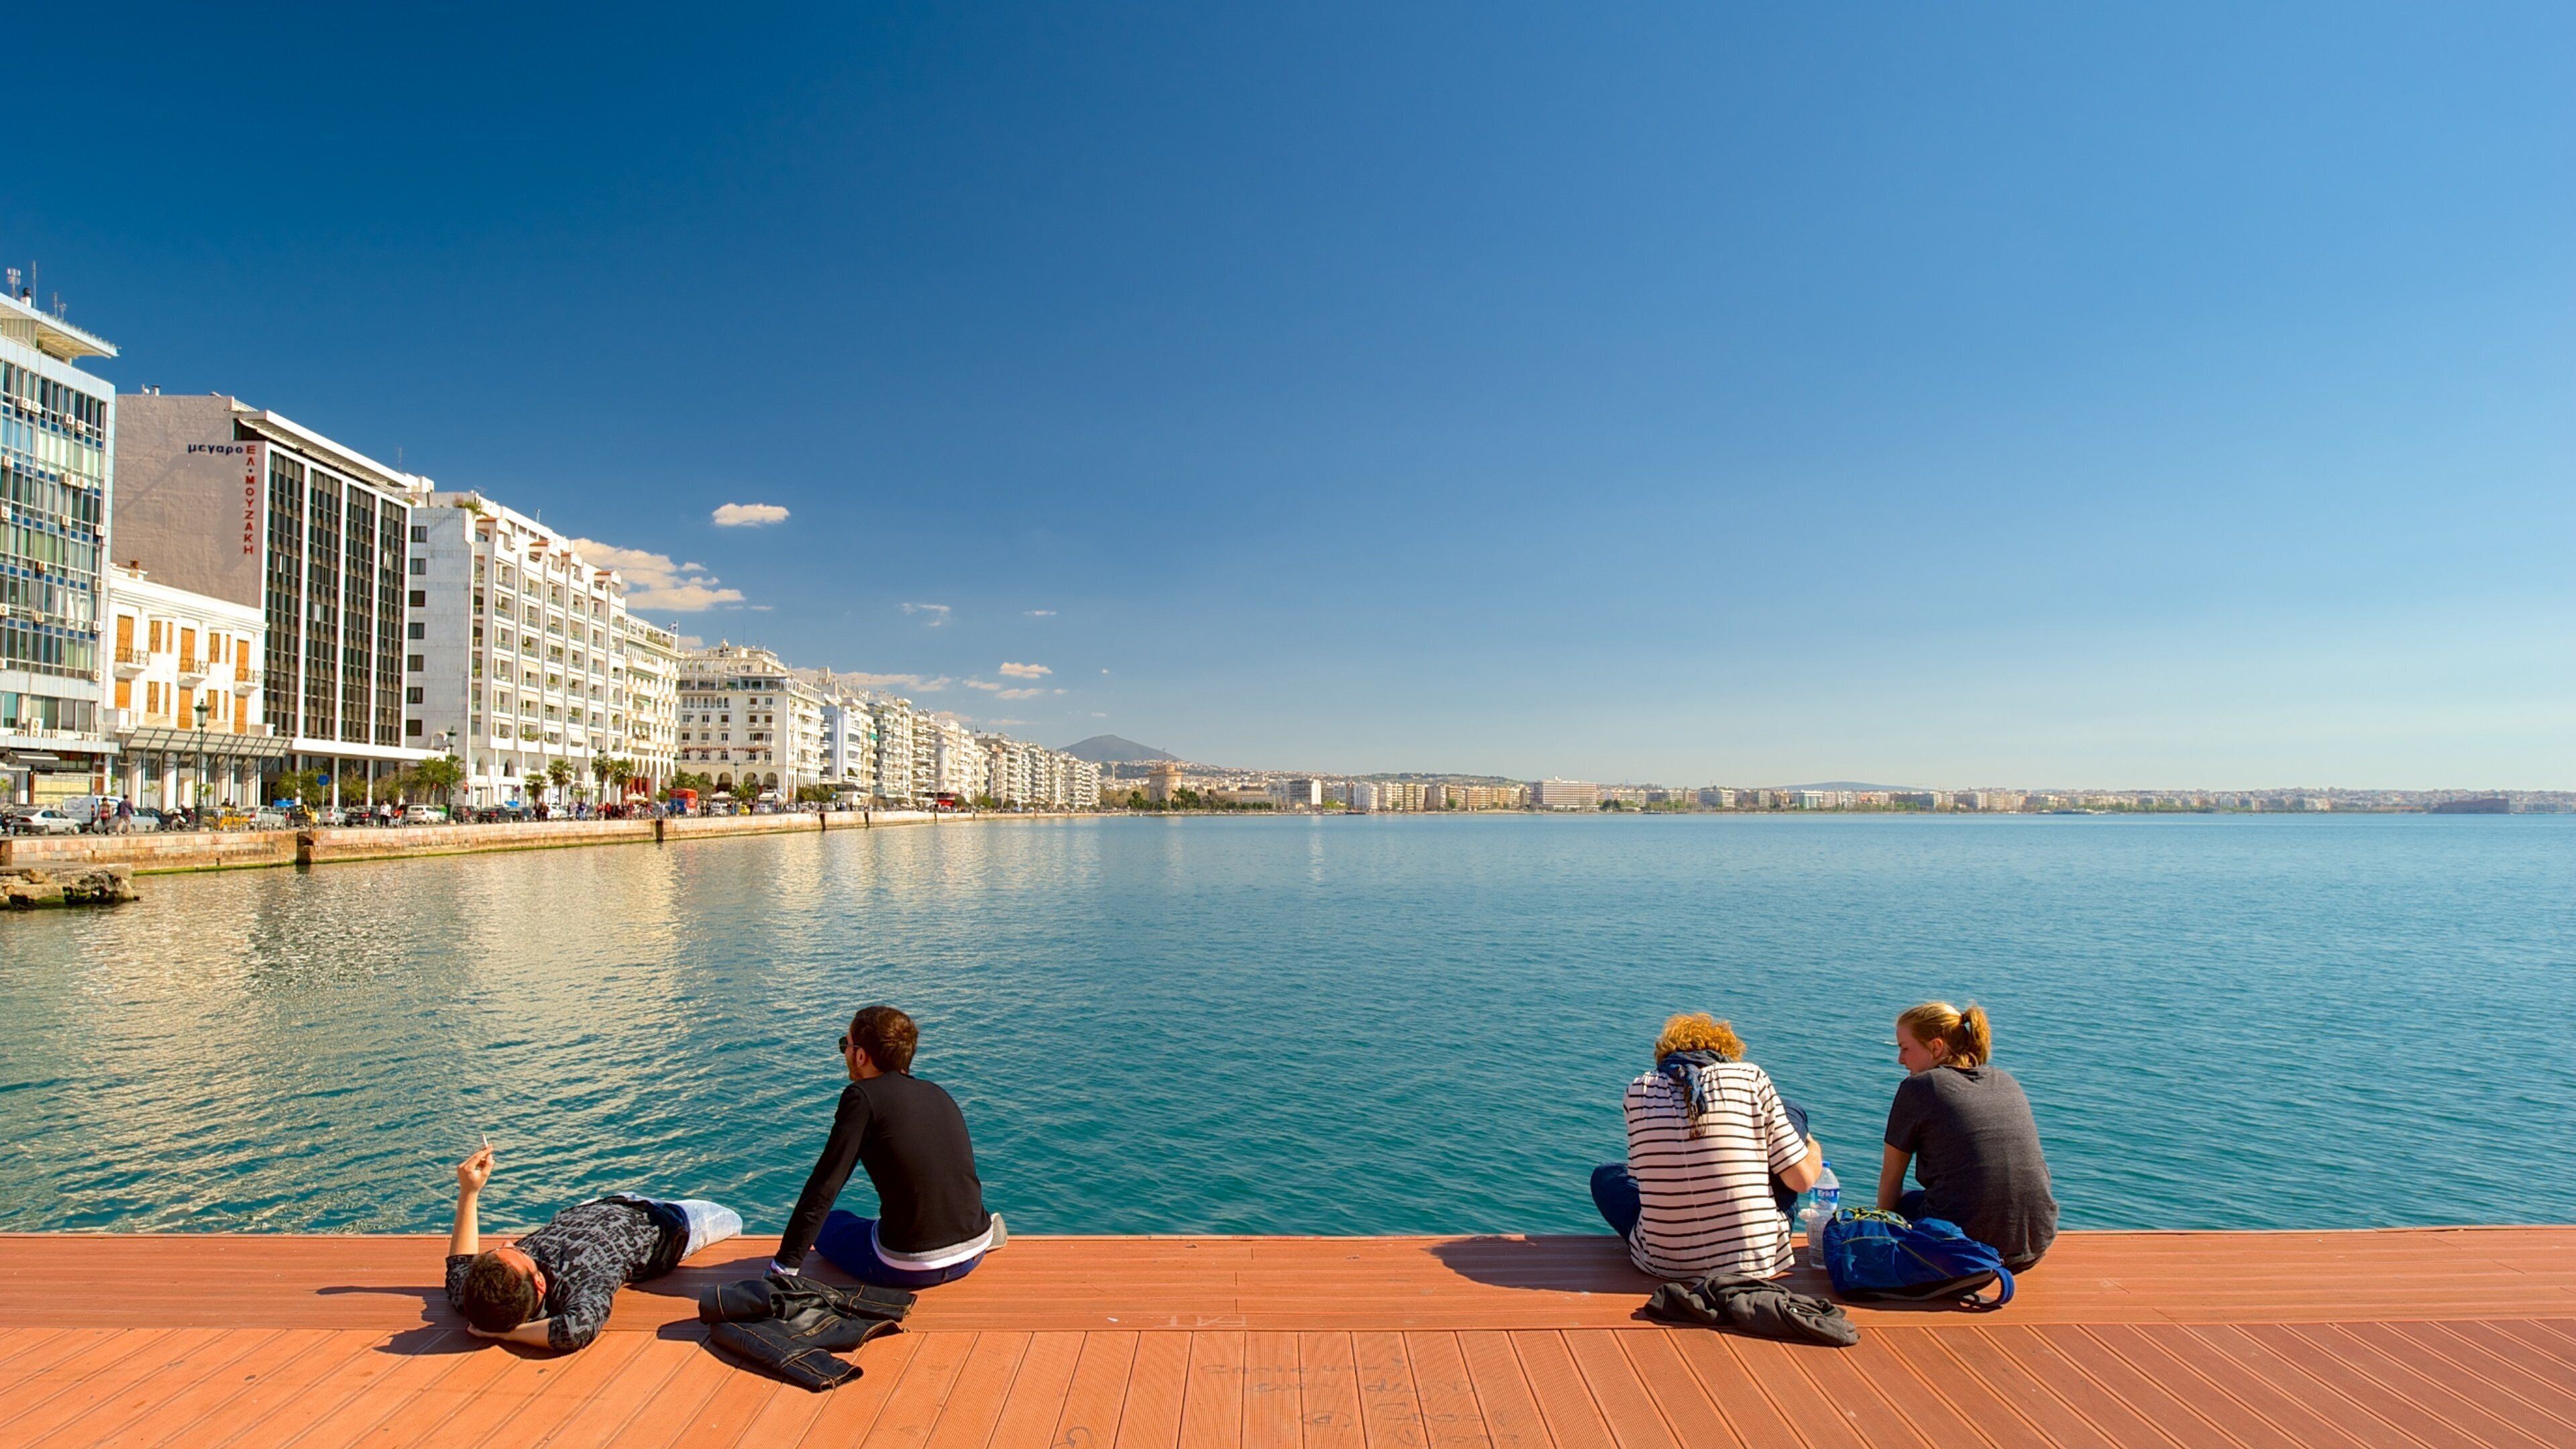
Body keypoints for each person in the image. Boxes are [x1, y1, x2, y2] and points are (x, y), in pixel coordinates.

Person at [772, 1005, 1004, 1289]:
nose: (845, 1053)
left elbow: (825, 1185)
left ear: (861, 1055)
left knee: (829, 1226)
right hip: (974, 1246)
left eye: (845, 1044)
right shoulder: (937, 1093)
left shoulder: (861, 1097)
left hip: (910, 1265)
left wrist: (782, 1268)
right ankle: (977, 1240)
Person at [1593, 1012, 1824, 1281]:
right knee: (1790, 1109)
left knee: (1606, 1176)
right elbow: (1802, 1183)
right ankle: (1788, 1154)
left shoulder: (1637, 1091)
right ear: (1727, 1052)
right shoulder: (1751, 1078)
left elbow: (1643, 1178)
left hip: (1662, 1262)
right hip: (1756, 1261)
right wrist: (1812, 1147)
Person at [443, 1146, 743, 1351]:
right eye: (519, 1253)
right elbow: (575, 1330)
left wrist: (469, 1192)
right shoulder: (582, 1284)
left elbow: (459, 1264)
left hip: (596, 1207)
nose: (511, 1242)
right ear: (538, 1282)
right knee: (735, 1219)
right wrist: (503, 1333)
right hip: (670, 1222)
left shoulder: (478, 1296)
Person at [1879, 1001, 2057, 1269]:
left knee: (1902, 1203)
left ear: (1936, 1047)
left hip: (1962, 1248)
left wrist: (1881, 1236)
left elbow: (1891, 1180)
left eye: (1905, 1049)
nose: (1901, 1060)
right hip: (2031, 1246)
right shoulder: (2005, 1081)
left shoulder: (1920, 1088)